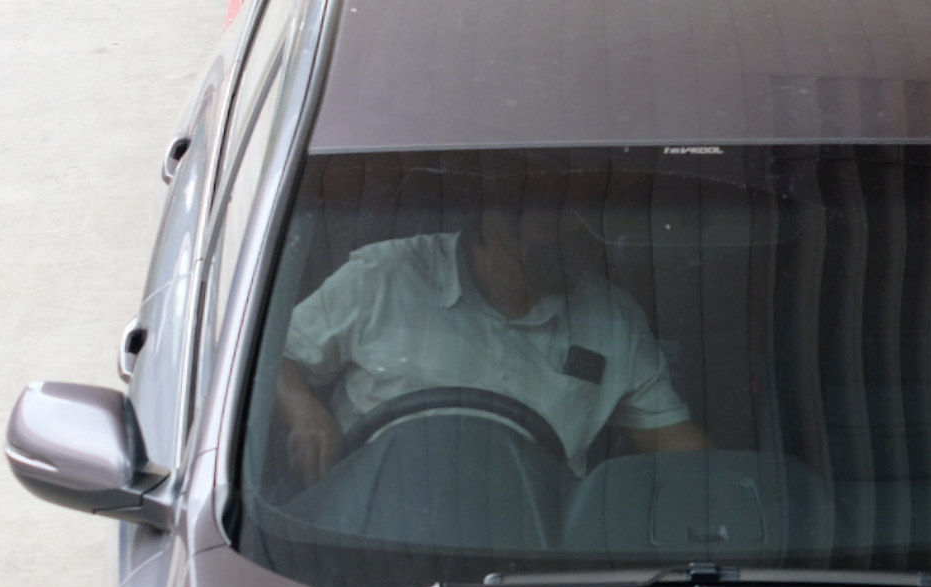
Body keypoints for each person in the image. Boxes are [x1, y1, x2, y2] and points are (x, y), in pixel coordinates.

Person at [275, 165, 708, 484]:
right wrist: (304, 412)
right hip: (371, 522)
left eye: (579, 240)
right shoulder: (384, 277)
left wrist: (728, 491)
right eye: (548, 245)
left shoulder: (611, 319)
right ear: (493, 219)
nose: (571, 256)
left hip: (536, 549)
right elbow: (273, 356)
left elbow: (672, 441)